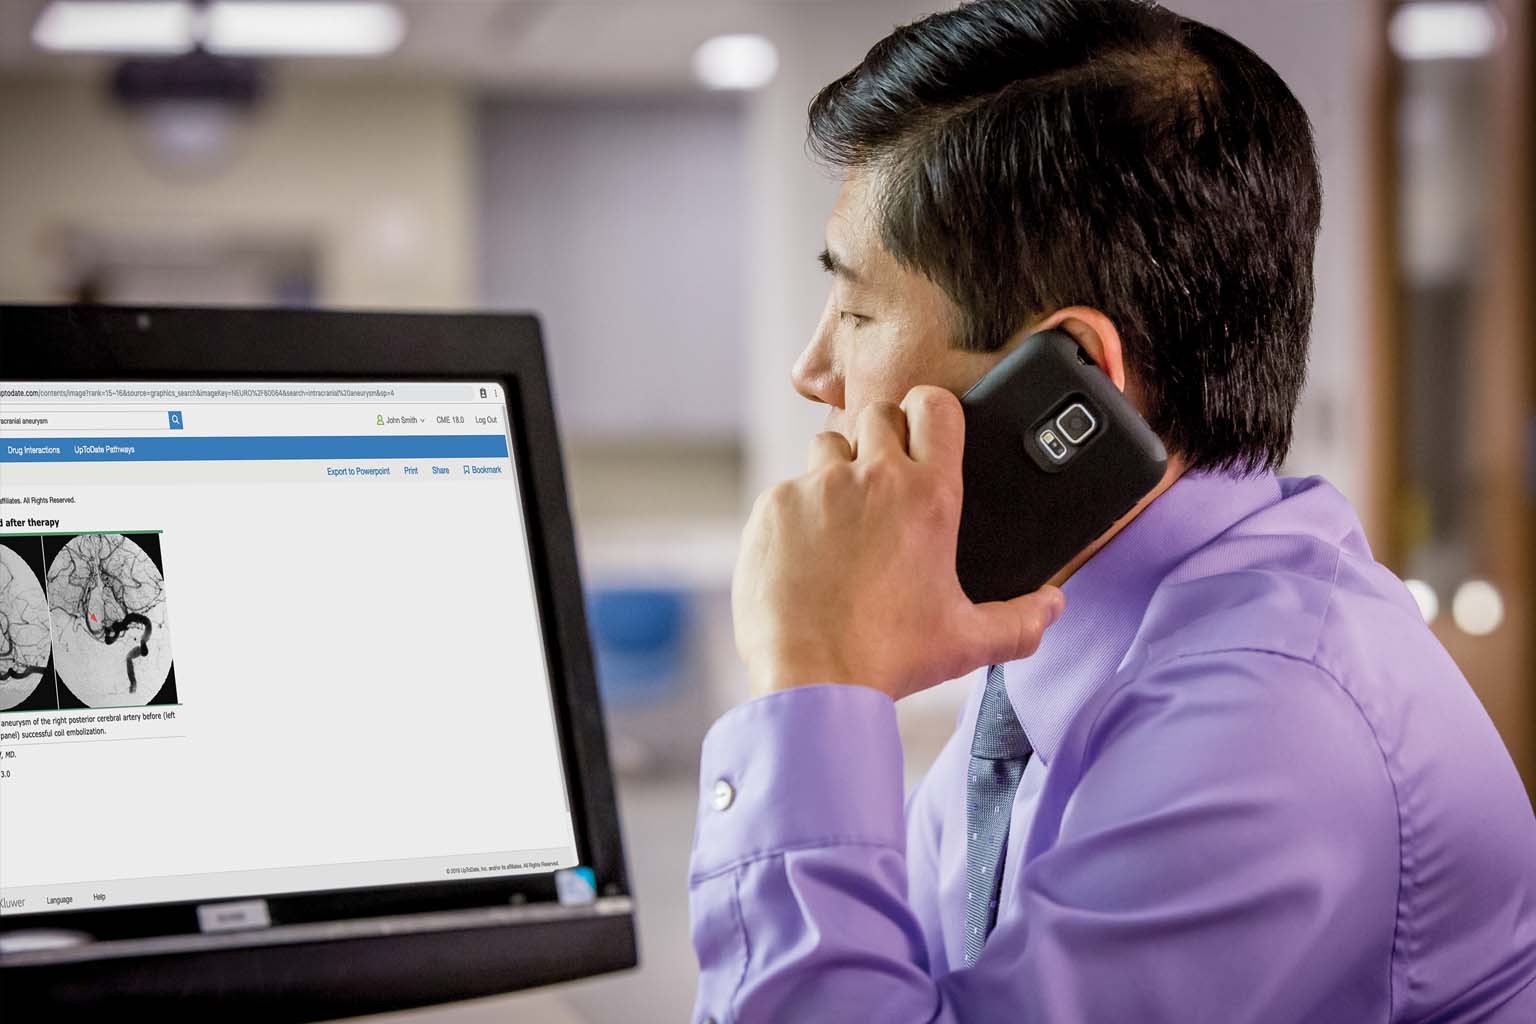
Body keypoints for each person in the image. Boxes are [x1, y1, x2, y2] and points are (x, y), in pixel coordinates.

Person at [686, 1, 1536, 1021]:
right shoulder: (1056, 641)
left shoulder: (1269, 729)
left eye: (858, 310)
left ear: (1072, 390)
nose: (811, 370)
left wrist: (813, 680)